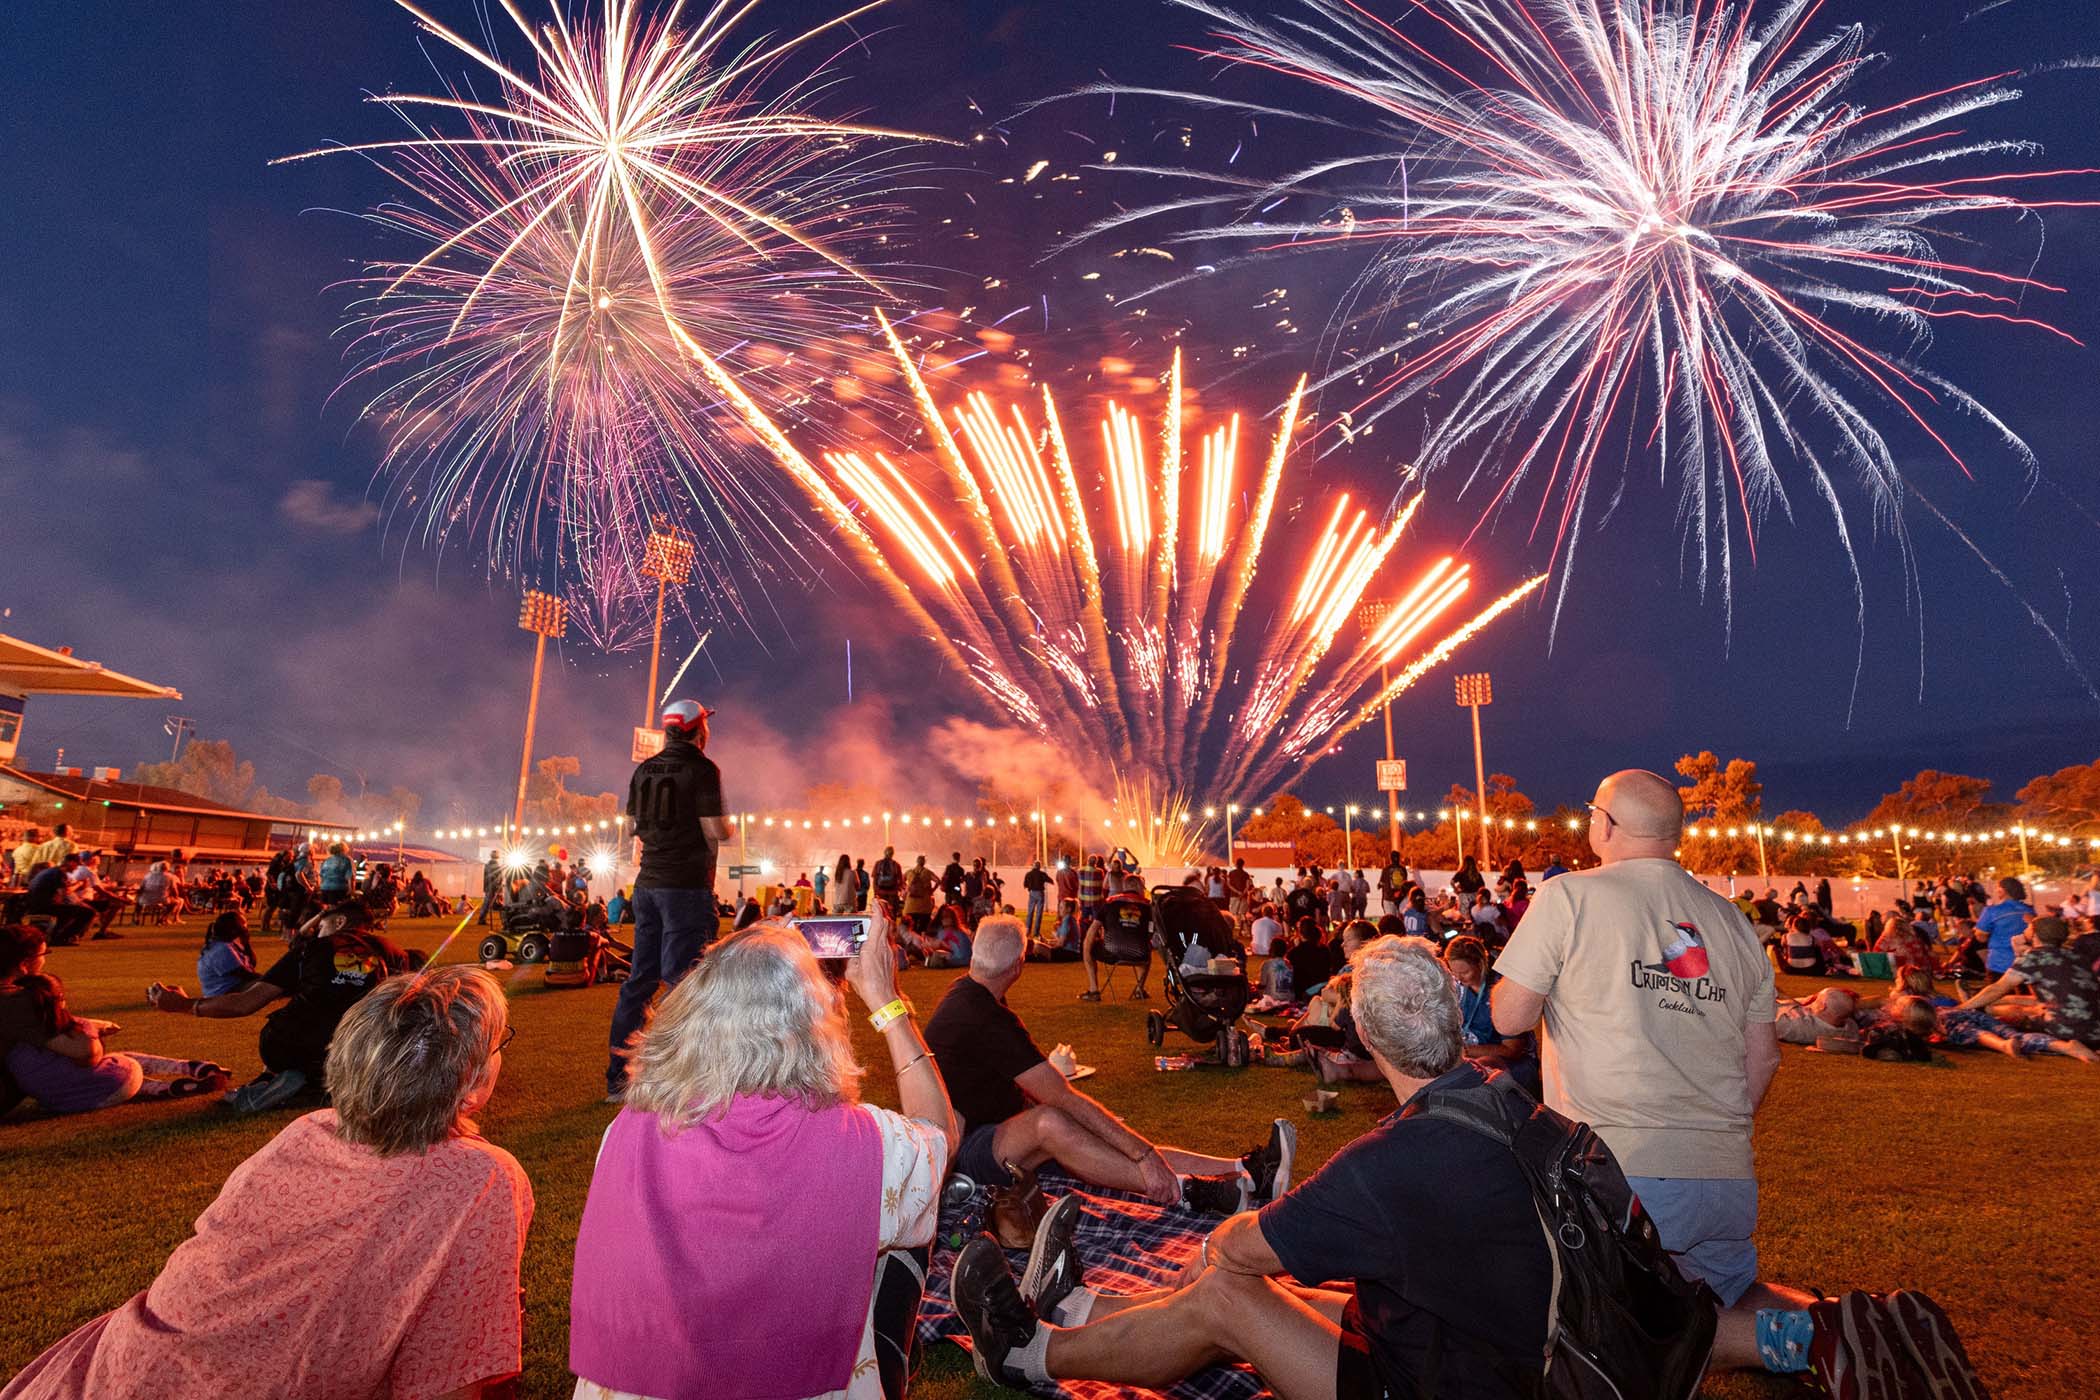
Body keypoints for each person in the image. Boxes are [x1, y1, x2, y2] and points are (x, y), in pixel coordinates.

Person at [1490, 769, 1974, 1383]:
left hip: (1616, 1161)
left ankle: (1804, 1340)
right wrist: (1715, 1128)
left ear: (1605, 824)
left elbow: (1510, 1016)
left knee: (1589, 1321)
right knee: (1727, 1297)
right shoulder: (1730, 920)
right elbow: (1765, 1055)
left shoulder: (1570, 896)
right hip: (1721, 1164)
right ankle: (1851, 1329)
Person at [952, 935, 1554, 1400]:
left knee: (1227, 1296)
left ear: (1365, 1036)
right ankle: (1079, 1310)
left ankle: (1022, 1353)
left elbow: (1246, 1247)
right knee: (1297, 1292)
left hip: (1446, 1381)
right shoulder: (1512, 1102)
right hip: (1494, 1346)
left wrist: (1216, 1245)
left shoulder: (1392, 1161)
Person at [4, 968, 532, 1400]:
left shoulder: (307, 1129)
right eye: (498, 1043)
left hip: (128, 1365)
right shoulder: (481, 1178)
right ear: (468, 1082)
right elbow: (451, 1380)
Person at [569, 910, 957, 1400]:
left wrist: (746, 957)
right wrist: (887, 1001)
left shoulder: (628, 1130)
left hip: (645, 1381)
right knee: (902, 1227)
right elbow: (939, 1136)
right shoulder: (864, 1143)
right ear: (815, 1023)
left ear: (694, 1006)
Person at [927, 915, 1292, 1211]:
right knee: (1051, 1122)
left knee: (1099, 1134)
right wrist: (1141, 1152)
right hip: (967, 1152)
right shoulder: (983, 1017)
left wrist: (1118, 1136)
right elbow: (1060, 1096)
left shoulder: (969, 995)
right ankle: (1185, 1192)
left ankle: (1243, 1171)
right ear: (1018, 965)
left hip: (993, 1135)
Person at [146, 899, 411, 1113]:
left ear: (339, 922)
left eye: (322, 925)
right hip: (366, 1052)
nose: (317, 930)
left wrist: (185, 1005)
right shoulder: (395, 953)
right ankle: (328, 1084)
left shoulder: (313, 949)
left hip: (300, 1048)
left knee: (290, 1020)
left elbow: (245, 1004)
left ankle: (294, 1079)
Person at [607, 698, 730, 1100]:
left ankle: (619, 1078)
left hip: (647, 885)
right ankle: (681, 1078)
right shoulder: (703, 768)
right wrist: (723, 825)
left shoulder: (643, 769)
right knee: (683, 982)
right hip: (685, 885)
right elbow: (716, 831)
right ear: (699, 729)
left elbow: (629, 828)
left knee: (639, 981)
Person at [0, 927, 230, 1118]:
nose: (44, 961)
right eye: (44, 954)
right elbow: (86, 1053)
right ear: (24, 963)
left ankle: (164, 1084)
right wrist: (90, 1027)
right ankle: (178, 1075)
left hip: (31, 1083)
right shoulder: (16, 1001)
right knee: (115, 1065)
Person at [1954, 915, 2099, 1062]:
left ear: (2035, 933)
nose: (2025, 929)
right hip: (2093, 1028)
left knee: (2015, 1013)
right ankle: (1978, 1004)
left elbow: (1998, 988)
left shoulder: (2036, 957)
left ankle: (1975, 1008)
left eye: (2029, 927)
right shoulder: (2074, 956)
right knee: (2027, 1002)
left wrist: (1961, 1008)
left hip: (2067, 1028)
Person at [1079, 875, 1154, 1000]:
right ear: (1138, 887)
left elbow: (1093, 929)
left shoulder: (1110, 902)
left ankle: (1094, 990)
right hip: (1140, 955)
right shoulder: (1148, 906)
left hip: (1111, 952)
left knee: (1088, 944)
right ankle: (1139, 990)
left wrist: (1088, 943)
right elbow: (1152, 932)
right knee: (1147, 948)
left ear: (1125, 887)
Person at [24, 856, 95, 945]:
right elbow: (63, 894)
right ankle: (61, 938)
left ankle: (57, 935)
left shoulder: (51, 871)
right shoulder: (59, 873)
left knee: (71, 910)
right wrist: (79, 884)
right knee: (89, 912)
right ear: (70, 862)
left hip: (34, 905)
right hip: (45, 906)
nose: (77, 868)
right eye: (76, 865)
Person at [1974, 877, 2035, 976]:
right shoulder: (2030, 910)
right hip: (2026, 963)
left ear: (2002, 890)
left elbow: (1981, 937)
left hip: (2000, 963)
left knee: (1998, 990)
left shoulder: (1992, 911)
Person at [196, 910, 259, 997]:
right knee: (272, 985)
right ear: (234, 928)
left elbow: (252, 964)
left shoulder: (223, 943)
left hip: (226, 989)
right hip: (224, 993)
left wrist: (245, 942)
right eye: (244, 924)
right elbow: (245, 975)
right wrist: (270, 979)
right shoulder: (222, 948)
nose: (246, 927)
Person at [903, 856, 937, 932]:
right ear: (924, 862)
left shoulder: (909, 872)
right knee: (923, 929)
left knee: (911, 928)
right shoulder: (927, 872)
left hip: (910, 906)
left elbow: (900, 880)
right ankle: (921, 941)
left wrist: (907, 888)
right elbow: (938, 881)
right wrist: (932, 890)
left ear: (917, 862)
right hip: (924, 907)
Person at [1022, 859, 1050, 941]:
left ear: (1033, 866)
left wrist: (1030, 886)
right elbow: (1049, 880)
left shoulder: (1028, 874)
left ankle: (1027, 931)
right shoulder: (1042, 874)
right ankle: (1036, 932)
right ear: (1039, 866)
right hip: (1040, 893)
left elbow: (1025, 885)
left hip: (1032, 893)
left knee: (1030, 912)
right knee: (1039, 913)